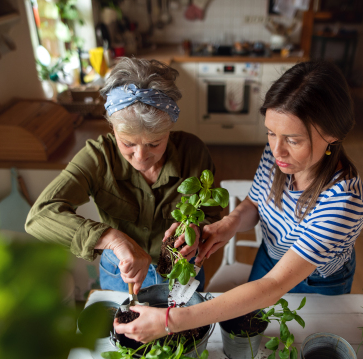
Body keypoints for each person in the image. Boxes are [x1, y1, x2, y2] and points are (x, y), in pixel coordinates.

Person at [114, 61, 363, 343]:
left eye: (293, 140)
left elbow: (273, 286)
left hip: (317, 283)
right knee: (259, 331)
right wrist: (228, 224)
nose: (276, 149)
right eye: (271, 133)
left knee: (301, 345)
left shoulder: (344, 201)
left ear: (332, 136)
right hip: (270, 257)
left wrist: (170, 321)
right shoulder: (280, 157)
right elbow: (255, 203)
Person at [25, 57, 220, 293]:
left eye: (154, 143)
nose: (140, 156)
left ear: (169, 127)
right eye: (128, 143)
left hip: (181, 271)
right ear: (112, 126)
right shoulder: (98, 157)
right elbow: (40, 216)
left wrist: (197, 232)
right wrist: (112, 239)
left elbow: (210, 213)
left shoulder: (194, 152)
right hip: (120, 275)